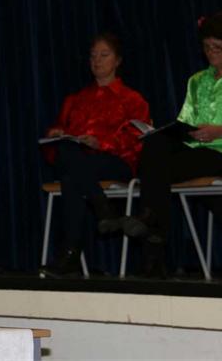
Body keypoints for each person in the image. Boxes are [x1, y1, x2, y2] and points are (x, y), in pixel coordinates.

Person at [123, 8, 222, 277]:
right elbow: (185, 121)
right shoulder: (197, 81)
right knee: (155, 145)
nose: (211, 53)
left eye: (218, 47)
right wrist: (179, 132)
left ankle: (152, 240)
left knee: (156, 171)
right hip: (198, 153)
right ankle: (152, 232)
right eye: (207, 47)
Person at [41, 33, 151, 277]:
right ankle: (103, 209)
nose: (97, 61)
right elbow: (54, 146)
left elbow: (137, 139)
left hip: (114, 161)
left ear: (117, 60)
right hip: (80, 161)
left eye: (104, 55)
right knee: (69, 157)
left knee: (72, 173)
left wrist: (101, 143)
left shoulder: (132, 99)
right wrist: (57, 133)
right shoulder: (76, 100)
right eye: (93, 56)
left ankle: (71, 252)